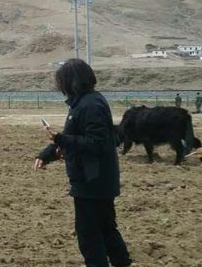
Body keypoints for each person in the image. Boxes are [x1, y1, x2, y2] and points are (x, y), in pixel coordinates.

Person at [34, 59, 131, 267]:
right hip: (95, 178)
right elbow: (74, 137)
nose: (59, 86)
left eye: (61, 81)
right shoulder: (85, 103)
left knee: (89, 233)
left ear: (72, 82)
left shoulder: (90, 105)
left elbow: (96, 143)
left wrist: (59, 139)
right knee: (105, 226)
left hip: (92, 180)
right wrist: (47, 154)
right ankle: (121, 262)